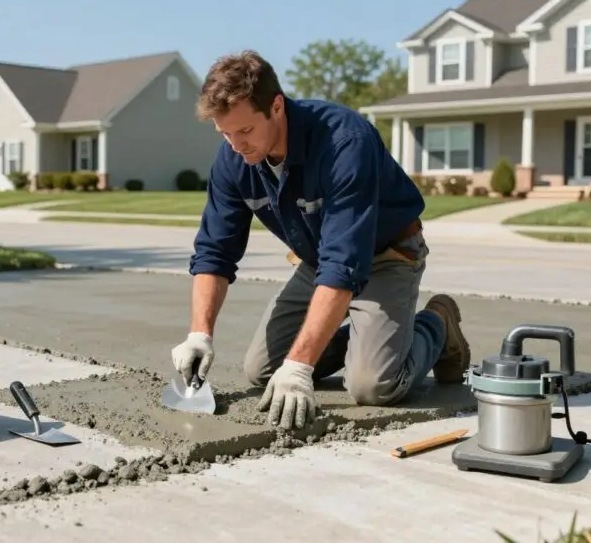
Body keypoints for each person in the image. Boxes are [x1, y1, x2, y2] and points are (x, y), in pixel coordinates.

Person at [169, 50, 471, 430]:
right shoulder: (234, 160)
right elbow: (215, 250)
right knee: (261, 371)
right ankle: (369, 340)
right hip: (318, 260)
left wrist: (299, 366)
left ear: (276, 106)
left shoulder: (343, 141)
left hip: (387, 254)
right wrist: (200, 334)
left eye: (244, 131)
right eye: (224, 133)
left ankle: (435, 325)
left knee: (372, 385)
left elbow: (345, 264)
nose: (235, 145)